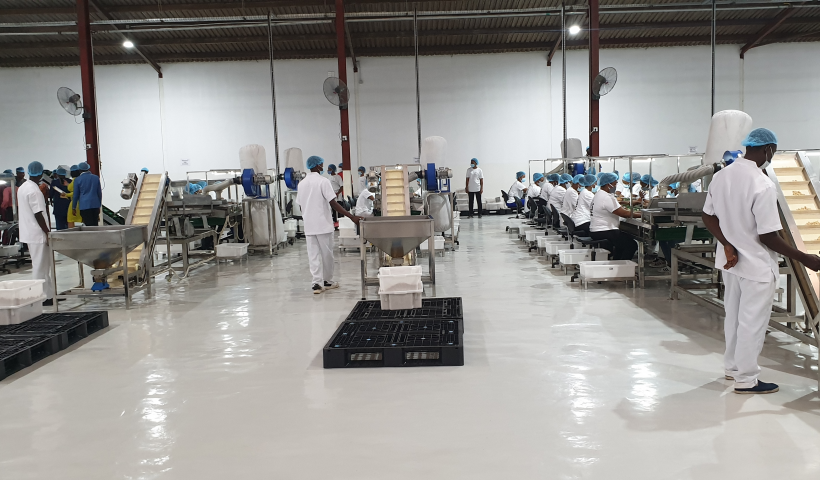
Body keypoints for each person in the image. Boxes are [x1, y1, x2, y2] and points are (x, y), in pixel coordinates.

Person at [702, 128, 820, 394]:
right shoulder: (762, 183)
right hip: (755, 265)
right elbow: (768, 237)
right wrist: (806, 258)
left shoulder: (721, 176)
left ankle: (732, 368)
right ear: (768, 149)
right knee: (752, 322)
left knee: (734, 318)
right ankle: (746, 379)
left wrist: (727, 244)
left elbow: (707, 216)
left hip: (731, 263)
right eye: (773, 151)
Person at [297, 156, 363, 294]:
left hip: (309, 226)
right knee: (327, 254)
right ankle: (327, 281)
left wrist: (307, 217)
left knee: (313, 255)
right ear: (317, 166)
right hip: (323, 225)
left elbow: (301, 205)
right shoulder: (323, 181)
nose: (323, 167)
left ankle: (316, 283)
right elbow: (333, 203)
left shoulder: (301, 184)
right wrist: (351, 217)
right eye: (322, 165)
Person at [18, 161, 56, 306]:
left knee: (43, 266)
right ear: (40, 174)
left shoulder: (23, 187)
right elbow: (38, 213)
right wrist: (47, 232)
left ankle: (49, 295)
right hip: (38, 233)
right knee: (40, 267)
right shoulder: (35, 191)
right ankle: (40, 297)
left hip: (30, 232)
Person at [589, 172, 641, 261]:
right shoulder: (606, 197)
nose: (616, 185)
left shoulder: (599, 194)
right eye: (615, 183)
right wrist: (641, 214)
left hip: (597, 229)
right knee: (631, 245)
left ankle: (617, 262)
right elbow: (624, 213)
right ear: (608, 184)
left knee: (622, 243)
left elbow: (619, 209)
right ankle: (622, 266)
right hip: (604, 230)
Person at [71, 162, 102, 226]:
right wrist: (99, 205)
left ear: (79, 170)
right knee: (95, 224)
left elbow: (75, 195)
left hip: (84, 205)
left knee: (88, 224)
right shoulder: (96, 178)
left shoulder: (77, 180)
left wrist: (74, 207)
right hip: (95, 204)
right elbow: (99, 193)